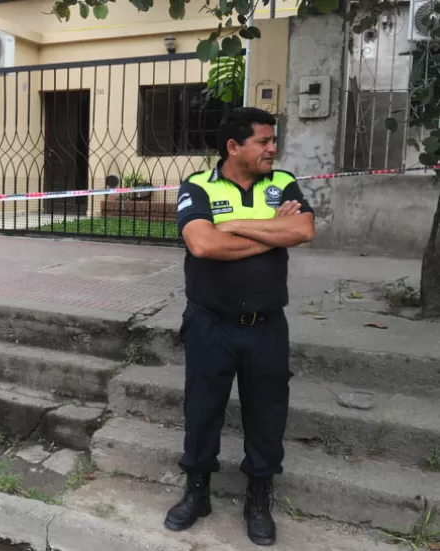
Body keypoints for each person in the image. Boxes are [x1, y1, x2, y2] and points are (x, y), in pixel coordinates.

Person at [164, 107, 316, 546]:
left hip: (267, 326)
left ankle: (259, 497)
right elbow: (203, 243)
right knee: (202, 409)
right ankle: (197, 492)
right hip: (211, 323)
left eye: (273, 140)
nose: (273, 148)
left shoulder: (282, 183)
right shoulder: (199, 185)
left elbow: (304, 229)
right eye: (264, 141)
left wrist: (234, 225)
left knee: (268, 413)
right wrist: (272, 229)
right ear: (234, 146)